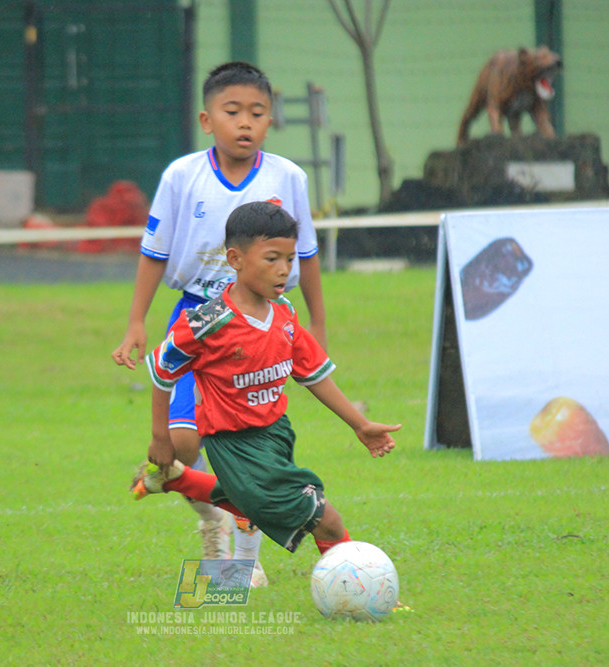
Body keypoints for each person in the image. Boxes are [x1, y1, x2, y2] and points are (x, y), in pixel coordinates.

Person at [112, 61, 327, 586]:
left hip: (263, 324)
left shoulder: (288, 177)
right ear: (207, 120)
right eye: (233, 112)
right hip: (198, 317)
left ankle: (246, 562)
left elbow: (309, 255)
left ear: (270, 121)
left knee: (254, 449)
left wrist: (317, 322)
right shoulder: (182, 177)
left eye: (257, 112)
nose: (245, 123)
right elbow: (154, 252)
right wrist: (136, 321)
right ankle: (214, 517)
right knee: (181, 449)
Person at [131, 202, 400, 565]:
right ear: (235, 259)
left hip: (276, 432)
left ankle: (176, 479)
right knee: (328, 520)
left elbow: (313, 375)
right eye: (272, 259)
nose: (284, 270)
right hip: (233, 443)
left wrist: (361, 425)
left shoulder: (284, 312)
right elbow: (163, 372)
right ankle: (361, 589)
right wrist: (161, 437)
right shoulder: (208, 323)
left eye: (290, 260)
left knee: (247, 503)